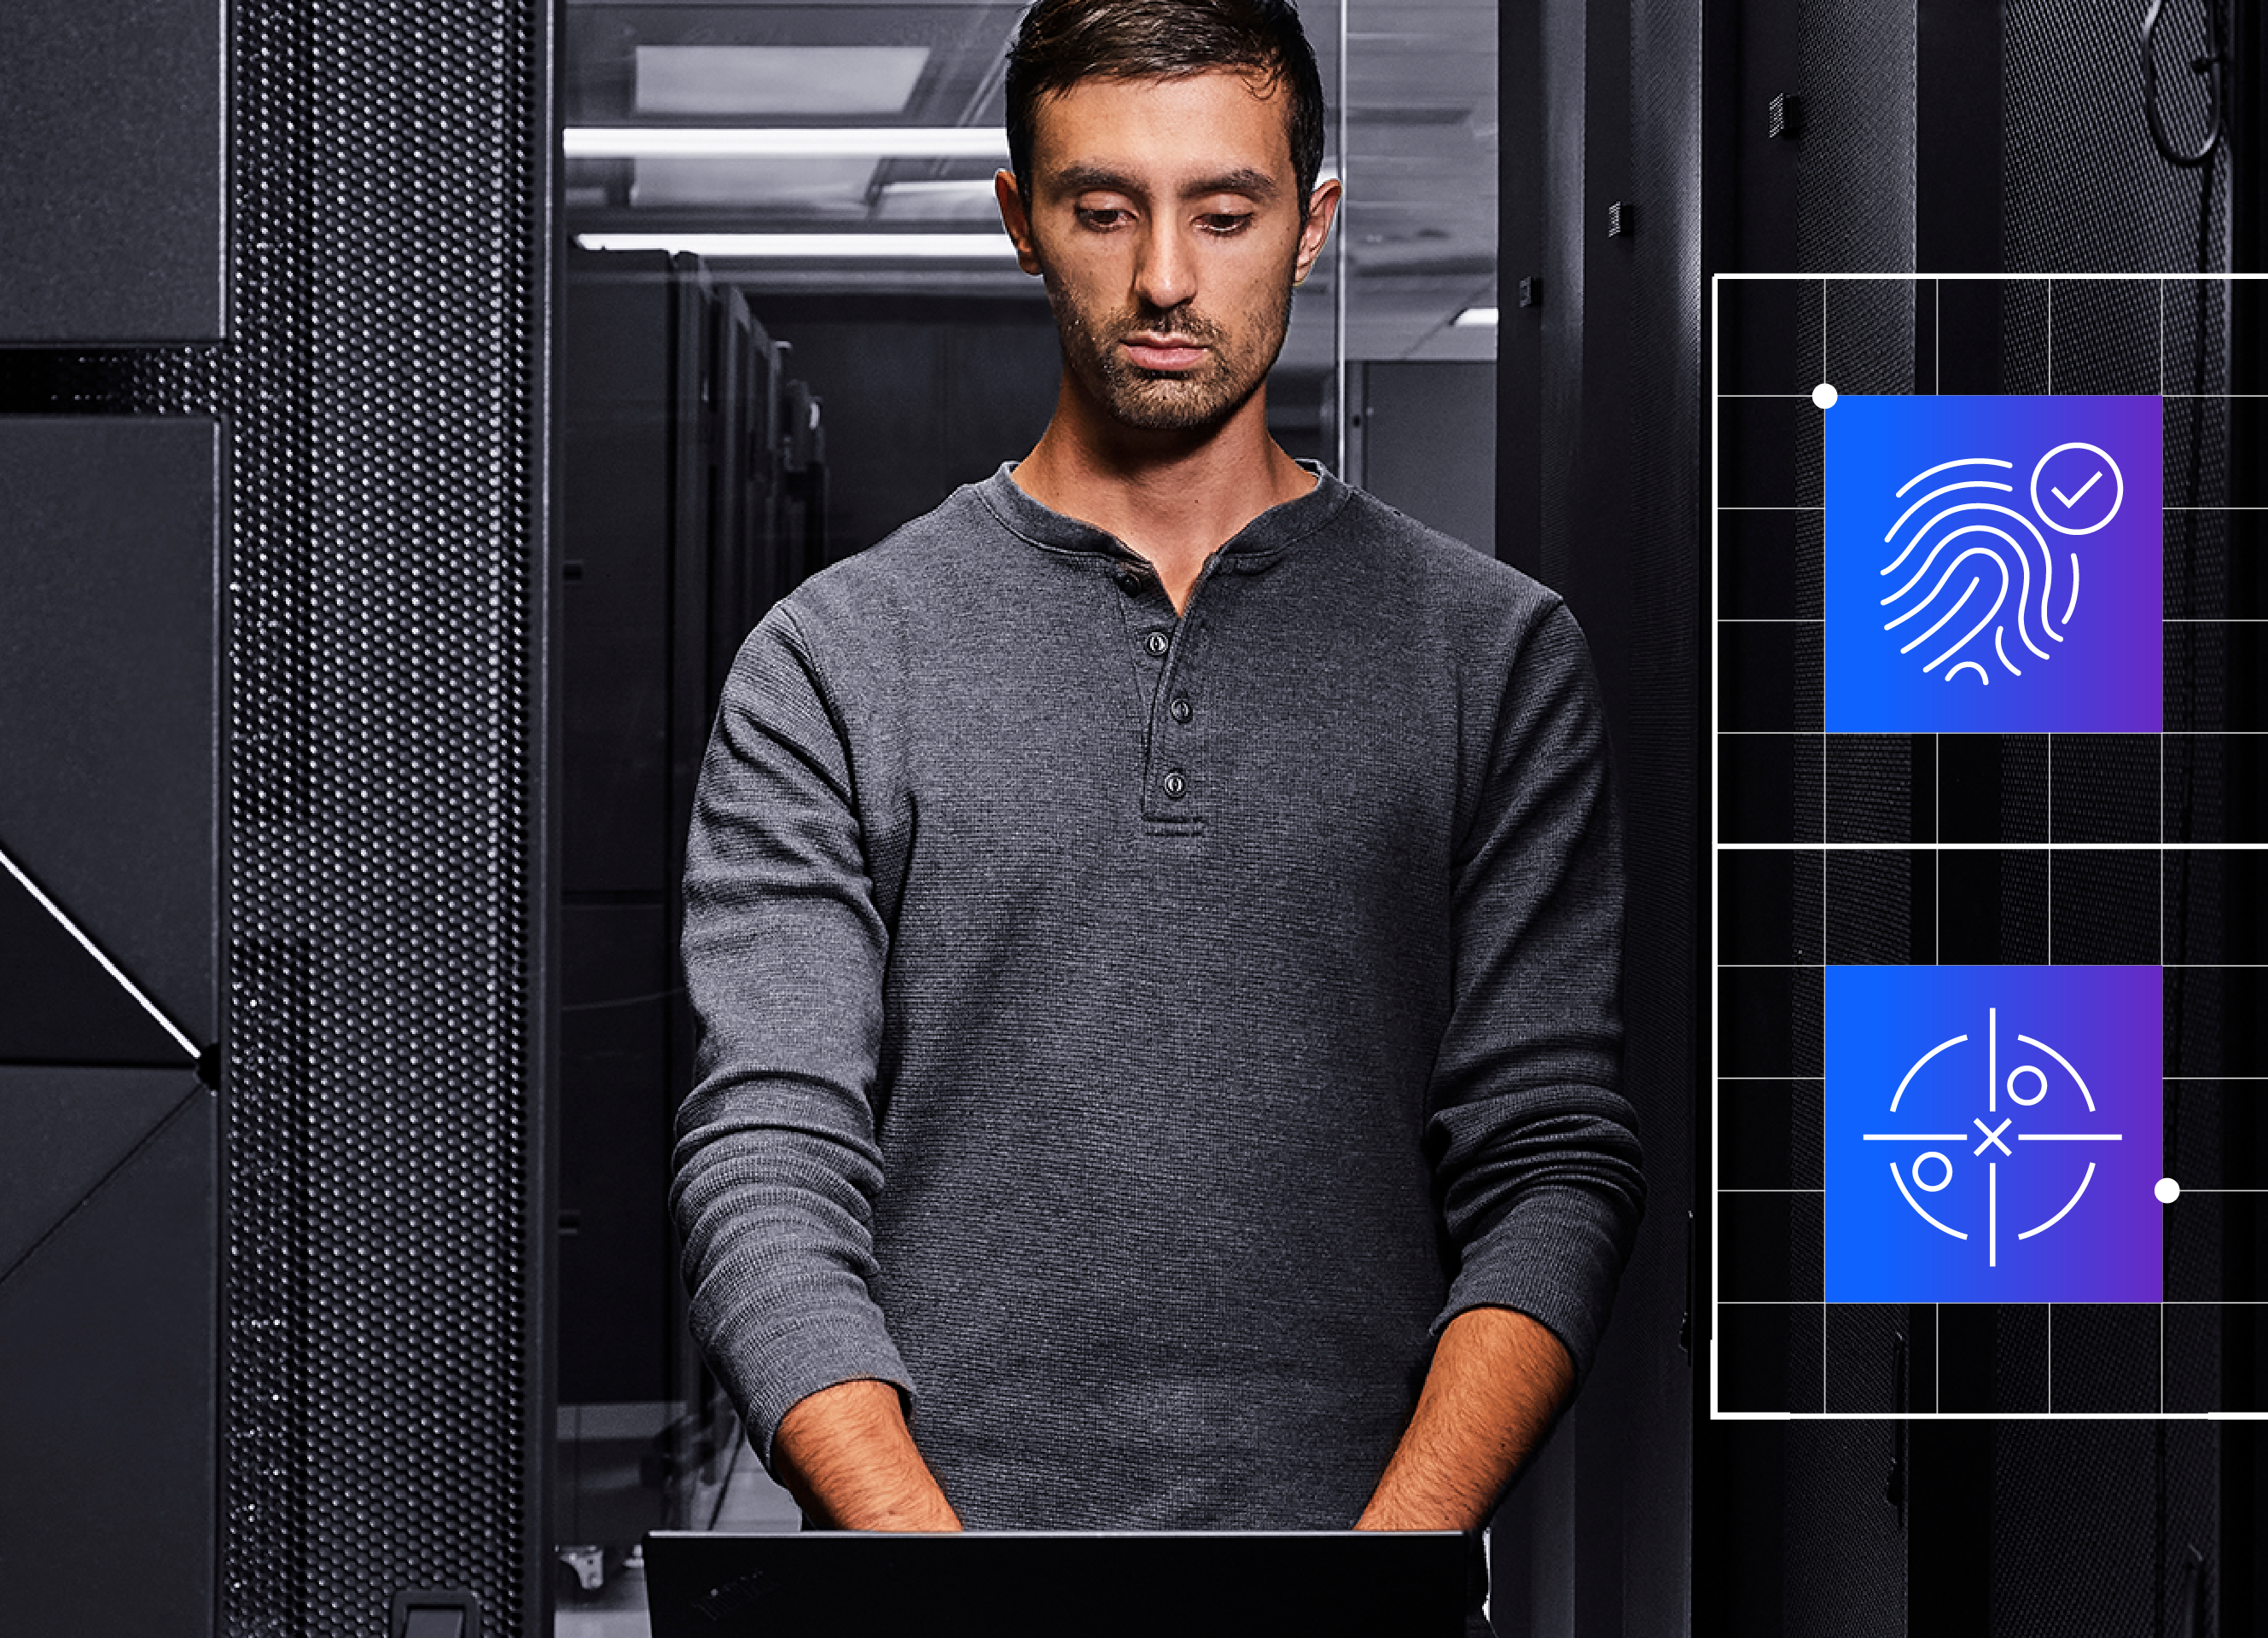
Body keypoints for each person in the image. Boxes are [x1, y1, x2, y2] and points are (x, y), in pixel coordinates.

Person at [670, 0, 1643, 1534]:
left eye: (1227, 210)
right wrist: (937, 1585)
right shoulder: (833, 659)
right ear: (1021, 221)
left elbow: (1553, 1158)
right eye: (1105, 209)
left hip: (1351, 1577)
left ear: (1312, 225)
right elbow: (767, 1156)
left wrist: (1374, 1583)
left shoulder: (1496, 655)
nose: (1167, 278)